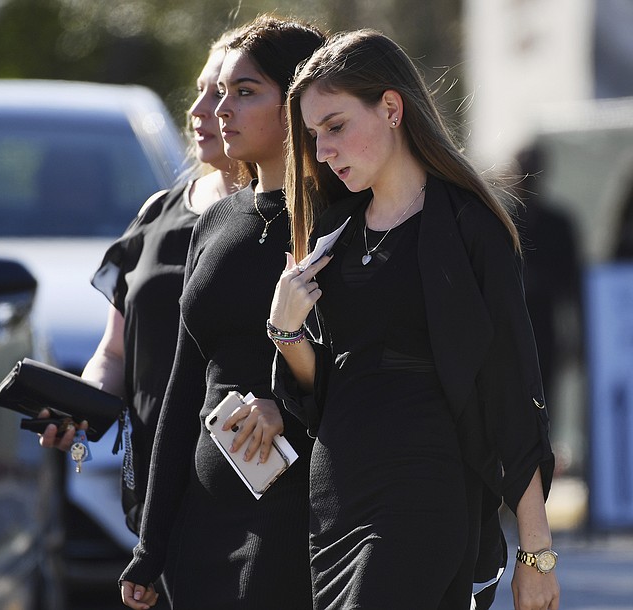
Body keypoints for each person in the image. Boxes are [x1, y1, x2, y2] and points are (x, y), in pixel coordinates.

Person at [269, 30, 559, 610]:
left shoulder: (469, 227)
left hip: (425, 488)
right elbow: (320, 389)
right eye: (312, 135)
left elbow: (511, 392)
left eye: (335, 126)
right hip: (337, 492)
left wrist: (536, 554)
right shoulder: (336, 233)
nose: (322, 150)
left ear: (392, 108)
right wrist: (285, 330)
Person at [119, 15, 326, 610]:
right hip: (202, 528)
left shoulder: (343, 225)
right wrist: (151, 544)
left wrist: (286, 403)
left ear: (298, 102)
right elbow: (184, 391)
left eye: (245, 91)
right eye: (219, 92)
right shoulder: (214, 222)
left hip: (297, 523)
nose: (221, 109)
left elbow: (367, 371)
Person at [38, 29, 249, 533]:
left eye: (223, 93)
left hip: (246, 497)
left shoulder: (294, 221)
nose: (200, 109)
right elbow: (114, 355)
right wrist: (78, 405)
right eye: (200, 90)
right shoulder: (158, 214)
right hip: (153, 495)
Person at [514, 143, 582, 432]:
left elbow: (571, 284)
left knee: (546, 400)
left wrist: (576, 332)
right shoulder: (503, 218)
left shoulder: (558, 223)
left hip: (544, 324)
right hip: (511, 325)